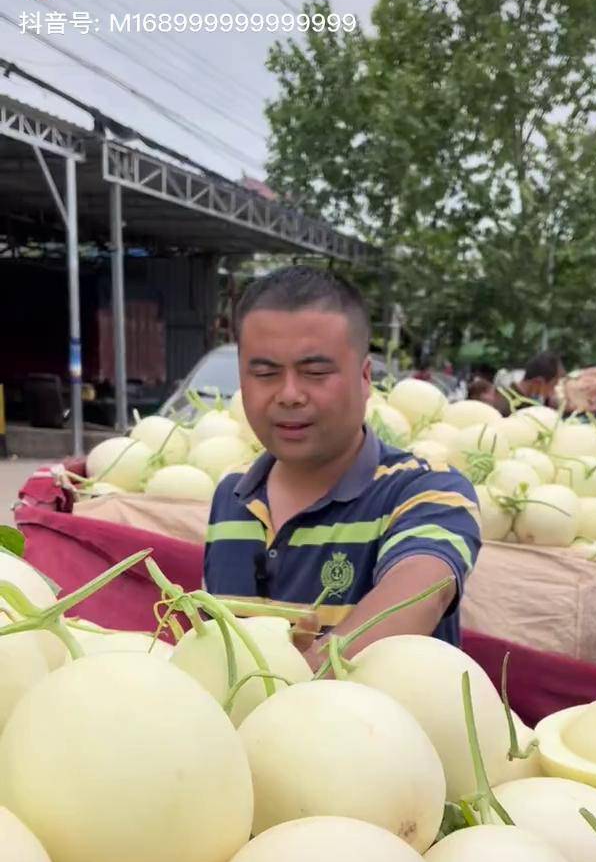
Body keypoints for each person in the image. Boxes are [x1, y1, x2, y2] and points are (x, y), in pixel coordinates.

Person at [204, 266, 481, 668]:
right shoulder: (230, 497)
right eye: (265, 373)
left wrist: (295, 688)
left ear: (365, 377)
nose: (290, 395)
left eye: (315, 373)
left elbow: (423, 589)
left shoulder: (428, 491)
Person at [487, 351, 565, 416]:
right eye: (553, 385)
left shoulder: (530, 404)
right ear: (538, 383)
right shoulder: (506, 406)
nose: (553, 392)